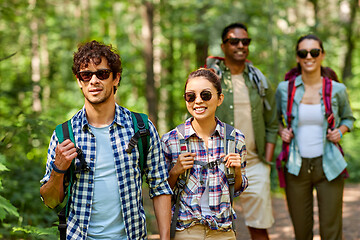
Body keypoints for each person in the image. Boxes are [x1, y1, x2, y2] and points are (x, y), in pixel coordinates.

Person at [40, 40, 173, 240]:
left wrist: (164, 238)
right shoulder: (65, 135)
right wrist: (58, 170)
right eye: (86, 75)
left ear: (116, 78)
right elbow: (50, 201)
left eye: (102, 74)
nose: (94, 81)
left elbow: (160, 187)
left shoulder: (142, 128)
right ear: (79, 81)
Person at [276, 34, 355, 240]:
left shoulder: (336, 89)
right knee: (302, 232)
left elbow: (349, 119)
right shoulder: (285, 89)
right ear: (297, 57)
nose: (309, 56)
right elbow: (273, 121)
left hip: (329, 165)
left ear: (322, 55)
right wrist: (280, 130)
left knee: (331, 231)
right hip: (295, 166)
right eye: (303, 53)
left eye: (314, 52)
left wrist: (341, 131)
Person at [206, 22, 278, 239]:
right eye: (234, 41)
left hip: (255, 165)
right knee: (216, 228)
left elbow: (273, 123)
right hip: (217, 164)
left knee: (259, 227)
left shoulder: (259, 80)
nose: (240, 45)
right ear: (223, 45)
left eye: (245, 41)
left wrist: (266, 160)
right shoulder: (212, 79)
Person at [161, 68, 248, 239]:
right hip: (185, 230)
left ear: (219, 99)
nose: (198, 101)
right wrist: (175, 171)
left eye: (206, 95)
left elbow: (237, 189)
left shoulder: (235, 139)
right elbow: (161, 193)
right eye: (191, 96)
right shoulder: (170, 140)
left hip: (223, 231)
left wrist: (237, 171)